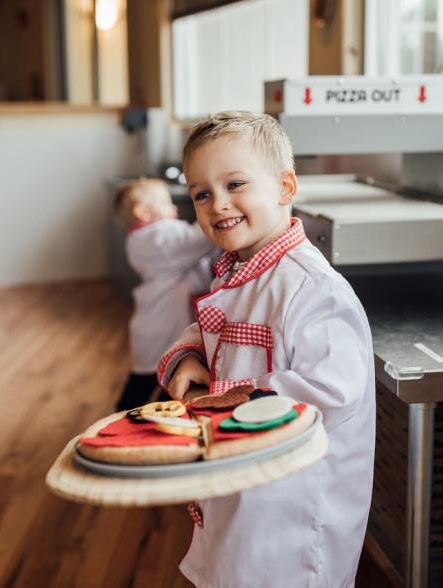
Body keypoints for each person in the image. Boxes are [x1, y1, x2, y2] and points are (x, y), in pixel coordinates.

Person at [157, 112, 375, 588]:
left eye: (235, 184)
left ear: (285, 187)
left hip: (290, 515)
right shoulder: (239, 269)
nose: (218, 204)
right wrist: (191, 357)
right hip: (241, 487)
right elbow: (213, 328)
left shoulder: (314, 289)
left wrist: (226, 400)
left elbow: (332, 390)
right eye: (202, 194)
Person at [114, 178, 218, 412]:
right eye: (165, 202)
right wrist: (215, 214)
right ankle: (123, 417)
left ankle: (146, 417)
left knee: (164, 381)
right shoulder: (153, 238)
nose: (174, 207)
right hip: (160, 330)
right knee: (145, 384)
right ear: (144, 213)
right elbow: (196, 240)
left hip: (161, 326)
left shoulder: (156, 235)